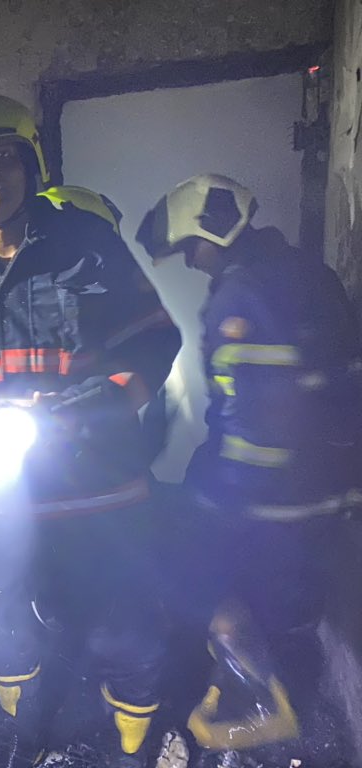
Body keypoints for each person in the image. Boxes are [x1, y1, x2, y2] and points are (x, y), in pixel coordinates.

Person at [0, 92, 180, 767]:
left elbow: (153, 339)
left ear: (30, 165)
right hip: (1, 500)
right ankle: (20, 739)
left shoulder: (91, 247)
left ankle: (131, 743)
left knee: (127, 630)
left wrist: (91, 407)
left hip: (104, 487)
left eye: (1, 157)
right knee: (6, 633)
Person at [137, 174, 362, 767]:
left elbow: (263, 424)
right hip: (329, 486)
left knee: (189, 572)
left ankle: (266, 704)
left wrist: (215, 494)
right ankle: (272, 684)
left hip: (277, 494)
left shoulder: (243, 294)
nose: (192, 262)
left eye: (190, 248)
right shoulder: (306, 272)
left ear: (211, 229)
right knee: (283, 605)